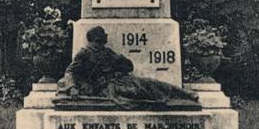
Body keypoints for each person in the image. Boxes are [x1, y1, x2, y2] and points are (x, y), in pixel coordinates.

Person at [55, 26, 200, 109]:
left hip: (122, 80)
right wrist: (72, 88)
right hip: (108, 88)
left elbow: (128, 67)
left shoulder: (107, 51)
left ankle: (185, 95)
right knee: (142, 93)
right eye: (104, 34)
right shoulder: (85, 53)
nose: (106, 36)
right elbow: (70, 71)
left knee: (151, 83)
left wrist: (120, 60)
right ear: (97, 37)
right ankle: (173, 99)